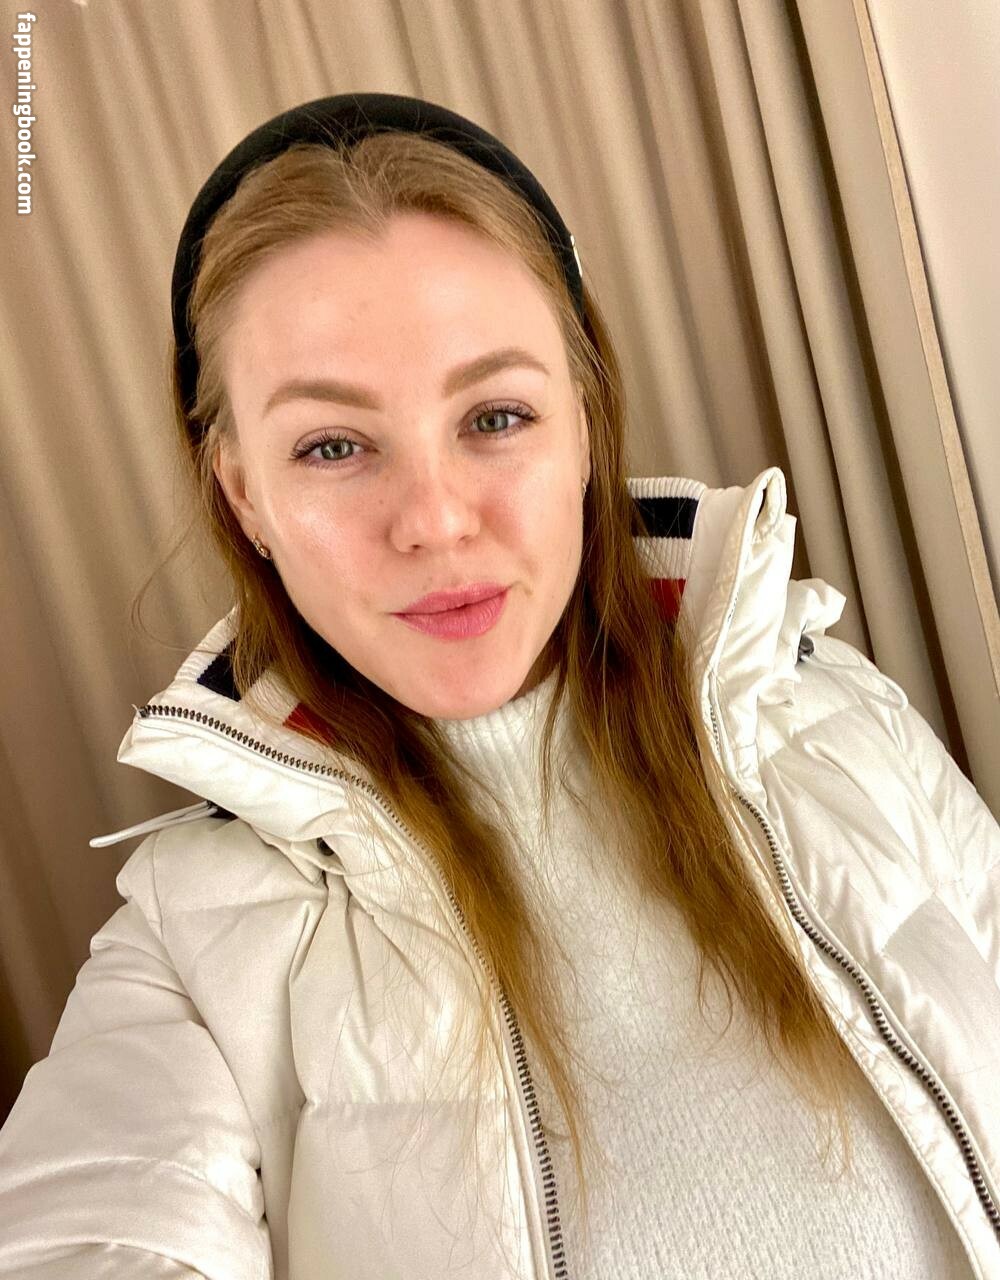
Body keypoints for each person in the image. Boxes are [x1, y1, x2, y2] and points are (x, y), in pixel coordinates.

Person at [0, 92, 997, 1280]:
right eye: (332, 445)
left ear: (584, 425)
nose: (432, 519)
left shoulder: (840, 714)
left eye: (495, 415)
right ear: (243, 494)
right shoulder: (187, 937)